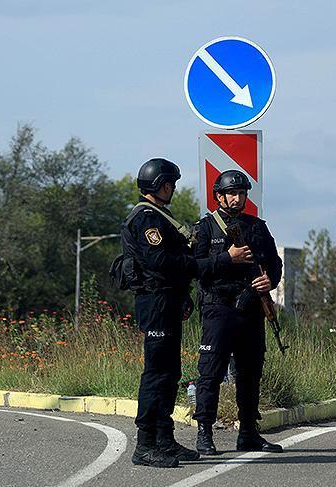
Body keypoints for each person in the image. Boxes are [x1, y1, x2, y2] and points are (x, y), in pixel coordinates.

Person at [120, 158, 223, 468]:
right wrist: (200, 266)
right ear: (160, 185)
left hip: (167, 300)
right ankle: (146, 445)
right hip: (155, 303)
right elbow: (161, 261)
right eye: (171, 184)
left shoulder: (160, 216)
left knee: (170, 373)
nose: (174, 189)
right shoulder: (146, 219)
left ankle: (165, 439)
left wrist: (182, 294)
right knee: (156, 374)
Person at [192, 170, 284, 455]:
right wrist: (227, 258)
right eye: (232, 193)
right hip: (218, 307)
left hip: (250, 308)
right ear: (219, 196)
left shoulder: (257, 227)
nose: (237, 198)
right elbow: (195, 268)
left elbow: (274, 262)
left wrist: (270, 280)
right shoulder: (205, 228)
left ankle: (248, 433)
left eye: (242, 193)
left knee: (250, 371)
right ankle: (204, 433)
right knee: (210, 372)